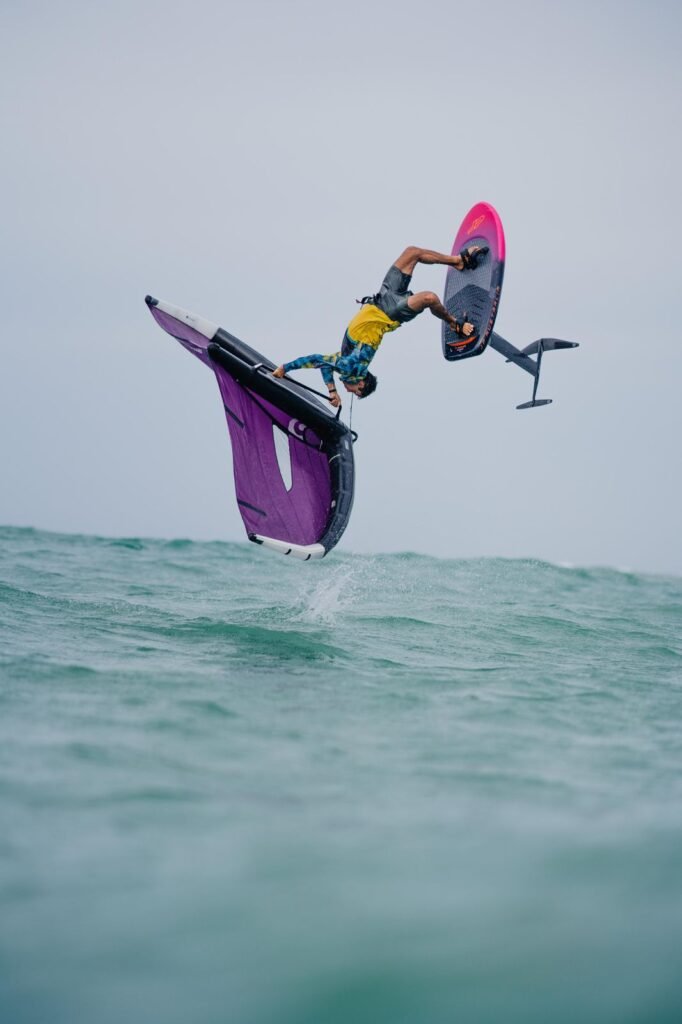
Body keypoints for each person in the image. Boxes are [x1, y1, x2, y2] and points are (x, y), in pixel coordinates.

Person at [273, 244, 487, 406]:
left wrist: (331, 391)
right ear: (361, 383)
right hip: (391, 314)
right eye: (355, 392)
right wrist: (286, 368)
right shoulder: (353, 367)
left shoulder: (344, 363)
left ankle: (458, 261)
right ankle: (454, 324)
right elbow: (316, 361)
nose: (350, 391)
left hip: (382, 298)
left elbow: (323, 364)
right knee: (429, 298)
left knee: (412, 252)